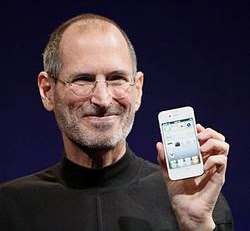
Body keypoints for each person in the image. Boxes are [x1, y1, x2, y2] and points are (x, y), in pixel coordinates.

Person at [0, 13, 233, 231]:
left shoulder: (197, 198)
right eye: (82, 79)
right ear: (47, 90)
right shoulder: (9, 208)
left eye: (117, 79)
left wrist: (196, 225)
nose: (102, 99)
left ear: (138, 89)